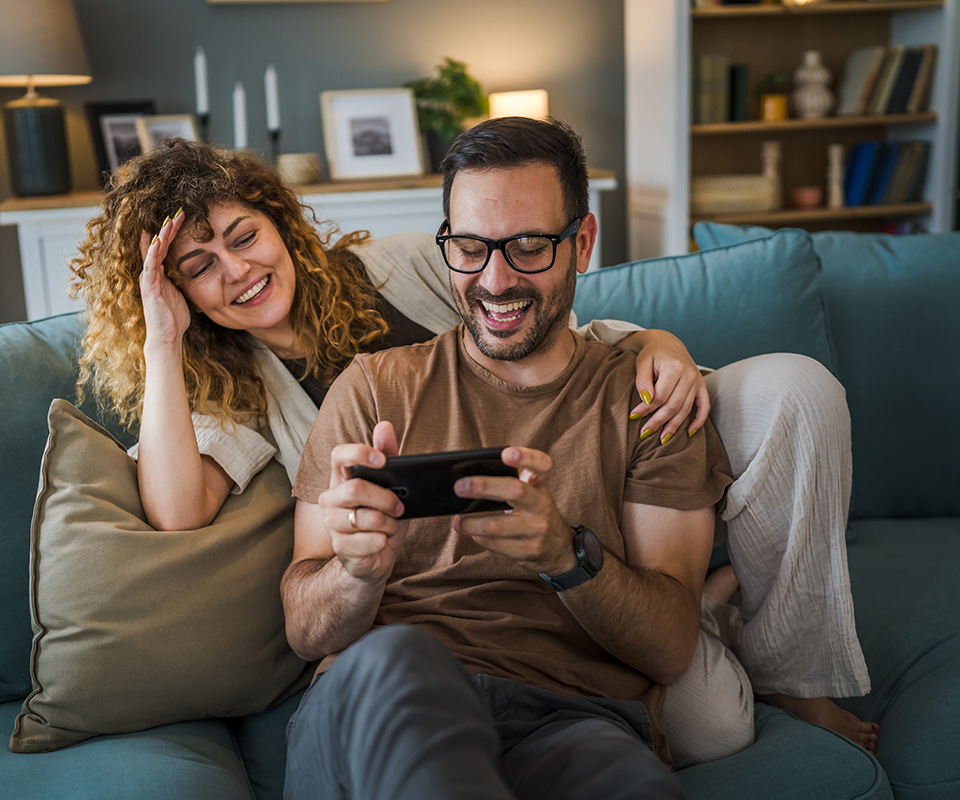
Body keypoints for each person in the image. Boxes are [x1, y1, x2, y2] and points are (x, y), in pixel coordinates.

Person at [70, 134, 875, 765]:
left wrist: (655, 340)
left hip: (594, 484)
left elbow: (532, 323)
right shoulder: (232, 385)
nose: (238, 270)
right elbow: (177, 509)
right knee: (715, 730)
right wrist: (164, 340)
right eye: (200, 268)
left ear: (279, 220)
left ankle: (785, 666)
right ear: (179, 291)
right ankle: (696, 600)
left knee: (793, 393)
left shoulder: (397, 266)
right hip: (468, 585)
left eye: (244, 236)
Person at [282, 117, 737, 798]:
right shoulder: (375, 386)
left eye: (528, 247)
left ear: (582, 243)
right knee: (402, 659)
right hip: (387, 701)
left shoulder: (651, 401)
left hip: (576, 718)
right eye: (469, 247)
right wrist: (355, 574)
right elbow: (303, 628)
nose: (494, 281)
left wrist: (564, 555)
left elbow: (671, 647)